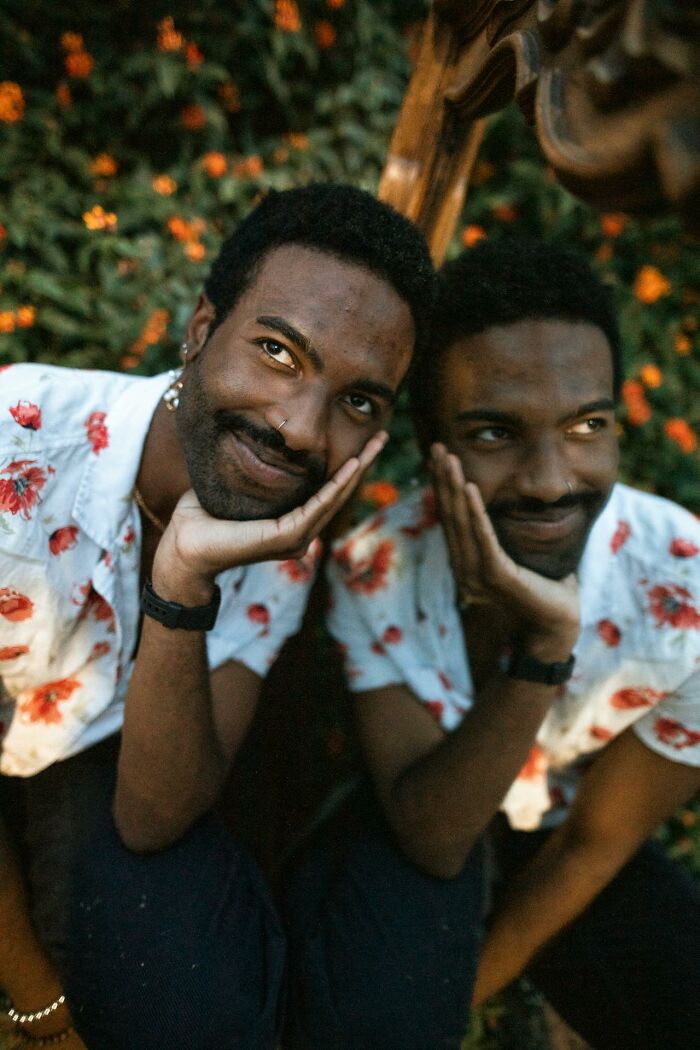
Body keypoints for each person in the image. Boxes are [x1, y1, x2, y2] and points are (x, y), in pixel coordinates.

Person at [0, 183, 435, 1049]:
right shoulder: (18, 448)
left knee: (202, 1010)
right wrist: (39, 1009)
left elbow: (157, 813)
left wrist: (184, 584)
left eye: (358, 402)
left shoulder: (283, 530)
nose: (303, 431)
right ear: (201, 330)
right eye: (279, 352)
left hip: (78, 759)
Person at [327, 239, 700, 1050]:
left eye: (585, 426)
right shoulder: (375, 571)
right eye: (494, 433)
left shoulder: (689, 595)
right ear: (433, 447)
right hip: (427, 812)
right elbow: (429, 835)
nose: (549, 479)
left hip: (568, 834)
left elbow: (594, 848)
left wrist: (450, 1004)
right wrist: (542, 649)